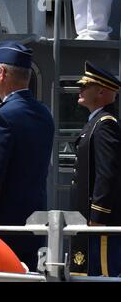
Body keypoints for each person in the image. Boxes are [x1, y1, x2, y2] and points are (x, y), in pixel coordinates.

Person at [0, 42, 54, 271]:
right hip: (36, 219)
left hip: (5, 226)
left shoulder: (1, 117)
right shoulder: (45, 114)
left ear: (2, 73)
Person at [70, 61, 121, 277]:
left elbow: (107, 174)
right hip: (87, 217)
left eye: (86, 86)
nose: (80, 89)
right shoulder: (95, 122)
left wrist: (98, 217)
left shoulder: (105, 124)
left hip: (99, 223)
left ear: (100, 91)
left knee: (102, 274)